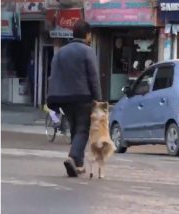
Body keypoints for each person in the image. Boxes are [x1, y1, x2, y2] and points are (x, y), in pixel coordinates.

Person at [47, 20, 102, 177]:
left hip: (63, 98)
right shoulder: (87, 51)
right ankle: (72, 157)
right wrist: (98, 99)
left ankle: (77, 165)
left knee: (75, 128)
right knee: (82, 129)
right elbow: (93, 77)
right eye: (90, 35)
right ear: (87, 35)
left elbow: (53, 76)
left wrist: (52, 98)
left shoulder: (61, 52)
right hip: (82, 96)